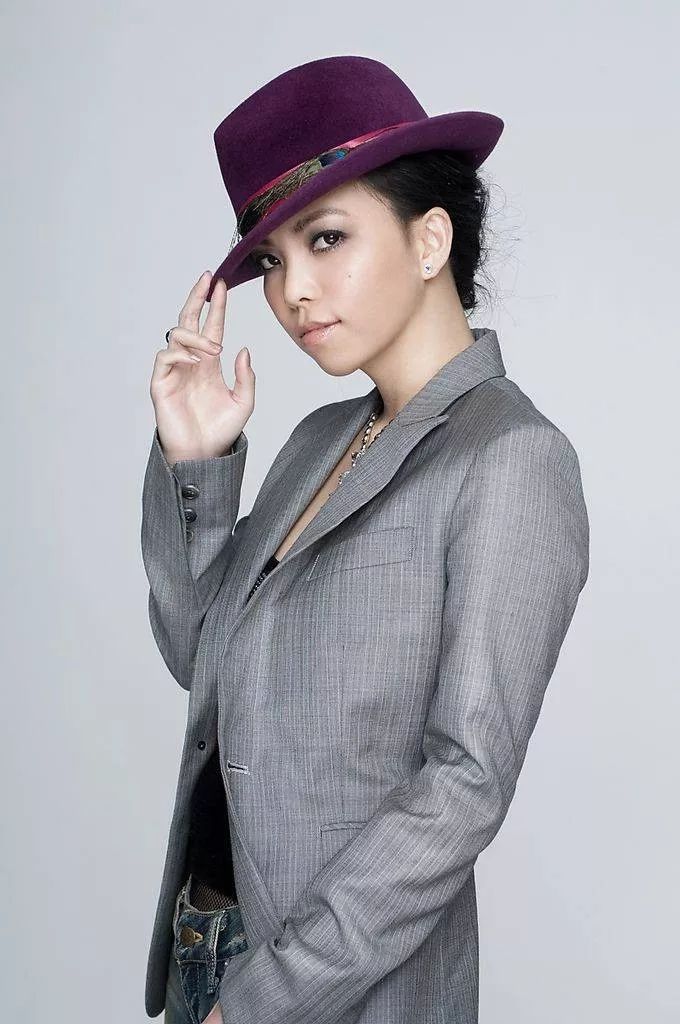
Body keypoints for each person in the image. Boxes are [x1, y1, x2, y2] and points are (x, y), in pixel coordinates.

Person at [141, 56, 590, 1024]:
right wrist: (197, 461)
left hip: (334, 988)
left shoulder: (509, 456)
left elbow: (463, 785)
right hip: (202, 943)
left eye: (326, 238)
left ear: (429, 239)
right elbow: (198, 658)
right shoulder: (315, 441)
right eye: (272, 262)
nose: (294, 291)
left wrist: (267, 996)